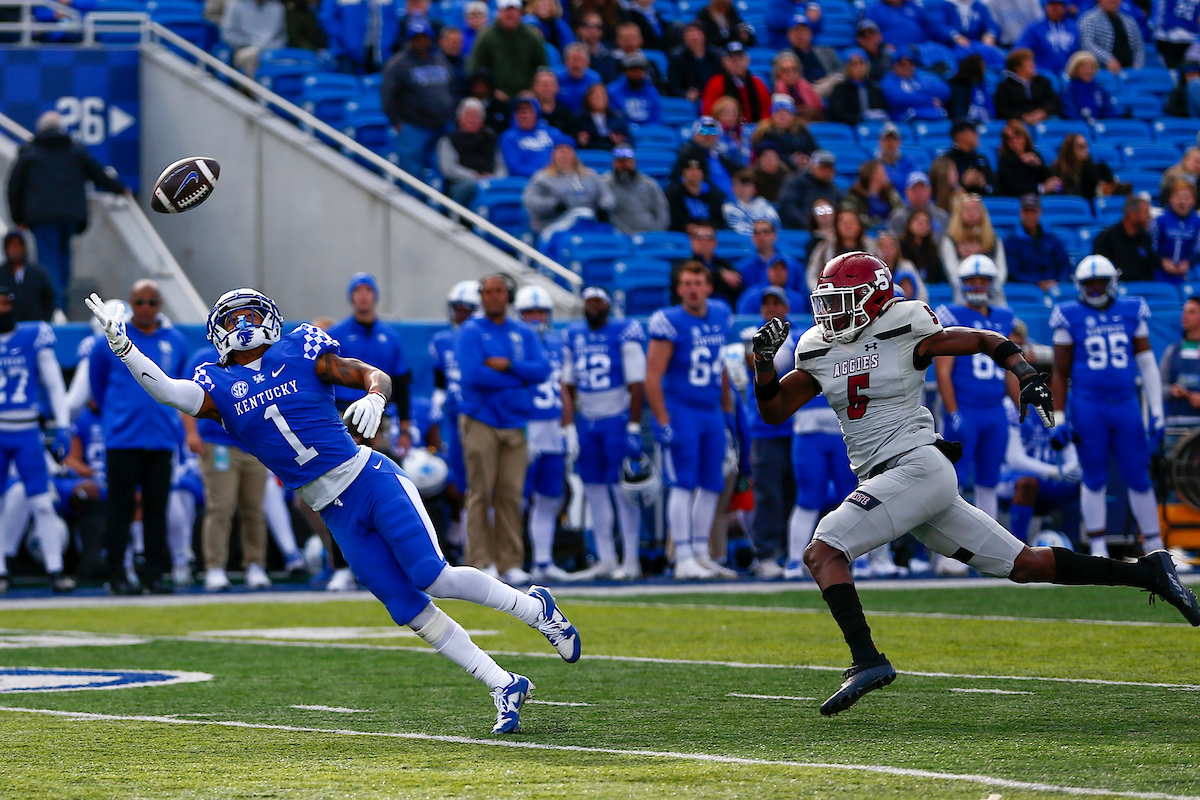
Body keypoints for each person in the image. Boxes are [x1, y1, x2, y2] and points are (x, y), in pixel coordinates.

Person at [87, 285, 581, 733]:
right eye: (232, 318)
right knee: (406, 608)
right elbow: (168, 392)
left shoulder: (300, 349)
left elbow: (372, 373)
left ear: (269, 317)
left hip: (369, 479)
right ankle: (503, 684)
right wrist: (124, 348)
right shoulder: (216, 382)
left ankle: (536, 609)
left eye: (249, 315)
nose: (242, 326)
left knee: (432, 575)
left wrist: (375, 397)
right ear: (218, 331)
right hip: (332, 509)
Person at [749, 250, 1199, 717]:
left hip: (917, 467)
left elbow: (984, 339)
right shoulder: (818, 347)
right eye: (829, 301)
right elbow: (775, 409)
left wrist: (1025, 373)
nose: (833, 312)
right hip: (899, 480)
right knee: (1026, 564)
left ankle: (866, 659)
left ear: (874, 298)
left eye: (844, 300)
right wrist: (763, 363)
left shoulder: (904, 325)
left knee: (823, 549)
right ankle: (1150, 572)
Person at [1049, 255, 1171, 562]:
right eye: (1089, 285)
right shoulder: (1069, 314)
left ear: (1112, 282)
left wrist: (1156, 410)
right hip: (1088, 403)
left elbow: (1147, 365)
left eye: (1100, 283)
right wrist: (1059, 417)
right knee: (1093, 476)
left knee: (1138, 475)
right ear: (1079, 286)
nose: (1094, 290)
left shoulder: (1131, 310)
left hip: (1126, 402)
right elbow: (1060, 372)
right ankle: (1099, 548)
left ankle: (1155, 547)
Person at [89, 280, 187, 595]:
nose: (146, 308)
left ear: (160, 306)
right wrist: (115, 416)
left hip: (161, 437)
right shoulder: (109, 339)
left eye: (152, 302)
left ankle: (154, 575)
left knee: (157, 509)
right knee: (119, 508)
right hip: (123, 438)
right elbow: (97, 384)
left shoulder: (176, 341)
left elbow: (181, 385)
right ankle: (117, 573)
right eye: (140, 302)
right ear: (132, 304)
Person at [456, 275, 552, 585]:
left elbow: (542, 370)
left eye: (498, 291)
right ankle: (480, 560)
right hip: (481, 418)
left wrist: (509, 366)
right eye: (487, 292)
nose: (493, 297)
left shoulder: (523, 332)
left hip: (515, 421)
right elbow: (474, 374)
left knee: (512, 494)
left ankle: (510, 561)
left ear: (508, 296)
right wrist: (519, 378)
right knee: (481, 492)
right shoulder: (470, 331)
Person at [646, 262, 736, 580]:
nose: (692, 289)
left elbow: (721, 366)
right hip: (681, 408)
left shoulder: (721, 314)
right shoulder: (669, 321)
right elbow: (652, 377)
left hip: (710, 409)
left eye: (698, 282)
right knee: (683, 483)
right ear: (679, 288)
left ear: (709, 287)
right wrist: (663, 420)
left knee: (712, 483)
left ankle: (701, 552)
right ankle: (682, 555)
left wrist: (727, 411)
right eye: (686, 283)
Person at [561, 287, 648, 579]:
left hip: (616, 418)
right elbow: (568, 384)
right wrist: (570, 425)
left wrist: (634, 425)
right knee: (594, 490)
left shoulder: (623, 332)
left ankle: (631, 560)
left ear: (608, 305)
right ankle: (607, 558)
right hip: (588, 420)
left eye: (598, 301)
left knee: (623, 491)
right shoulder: (574, 336)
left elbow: (637, 383)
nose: (593, 306)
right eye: (589, 302)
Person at [6, 111, 127, 315]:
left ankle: (56, 308)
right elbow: (97, 173)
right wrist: (119, 188)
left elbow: (14, 186)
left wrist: (18, 217)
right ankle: (60, 302)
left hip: (42, 217)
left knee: (49, 261)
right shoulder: (74, 150)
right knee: (63, 260)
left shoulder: (29, 152)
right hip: (70, 217)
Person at [183, 341, 272, 592]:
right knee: (220, 506)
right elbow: (185, 396)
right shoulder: (203, 357)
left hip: (253, 444)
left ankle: (255, 564)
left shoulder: (258, 356)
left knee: (254, 509)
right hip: (218, 442)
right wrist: (191, 433)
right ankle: (214, 567)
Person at [0, 284, 71, 593]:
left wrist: (64, 424)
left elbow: (54, 384)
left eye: (6, 303)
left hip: (28, 431)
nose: (2, 309)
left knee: (42, 503)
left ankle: (55, 569)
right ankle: (2, 569)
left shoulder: (33, 335)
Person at [933, 255, 1013, 521]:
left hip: (995, 409)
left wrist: (1019, 402)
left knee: (989, 481)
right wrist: (953, 412)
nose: (977, 287)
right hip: (966, 407)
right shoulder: (951, 314)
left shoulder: (1004, 317)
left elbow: (1009, 368)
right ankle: (951, 556)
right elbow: (943, 371)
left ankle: (987, 548)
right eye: (972, 281)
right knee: (952, 482)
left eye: (982, 281)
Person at [511, 286, 573, 583]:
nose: (535, 319)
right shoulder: (512, 344)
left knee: (550, 497)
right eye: (529, 313)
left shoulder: (559, 343)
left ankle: (543, 561)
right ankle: (510, 561)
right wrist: (521, 427)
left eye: (540, 312)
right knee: (517, 498)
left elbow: (565, 387)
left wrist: (568, 426)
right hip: (526, 424)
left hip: (552, 427)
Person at [739, 287, 798, 577]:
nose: (771, 307)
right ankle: (766, 553)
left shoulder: (798, 335)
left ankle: (792, 551)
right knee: (767, 493)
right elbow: (760, 363)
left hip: (794, 425)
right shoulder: (751, 334)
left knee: (794, 492)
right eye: (767, 303)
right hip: (764, 427)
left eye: (777, 302)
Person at [329, 273, 412, 459]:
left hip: (379, 416)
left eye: (368, 290)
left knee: (380, 469)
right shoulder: (335, 335)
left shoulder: (391, 337)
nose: (363, 295)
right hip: (343, 413)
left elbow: (401, 383)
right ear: (351, 296)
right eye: (358, 290)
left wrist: (405, 430)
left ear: (375, 295)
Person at [429, 281, 481, 558]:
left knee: (482, 484)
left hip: (481, 415)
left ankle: (474, 545)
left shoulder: (485, 337)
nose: (459, 314)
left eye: (466, 309)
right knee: (458, 483)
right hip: (453, 417)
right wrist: (438, 402)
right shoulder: (442, 340)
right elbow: (440, 379)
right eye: (456, 309)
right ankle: (458, 543)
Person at [1000, 395, 1082, 544]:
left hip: (1055, 480)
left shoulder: (1065, 404)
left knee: (1089, 484)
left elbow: (1071, 455)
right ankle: (1019, 547)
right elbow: (1015, 459)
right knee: (1027, 483)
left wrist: (1072, 469)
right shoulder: (1011, 404)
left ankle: (1080, 547)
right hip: (1011, 478)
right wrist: (1054, 472)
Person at [381, 24, 456, 181]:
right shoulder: (398, 64)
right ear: (409, 40)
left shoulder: (439, 59)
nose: (421, 41)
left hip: (442, 125)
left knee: (443, 170)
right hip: (414, 127)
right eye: (417, 38)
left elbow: (452, 87)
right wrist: (396, 122)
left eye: (424, 37)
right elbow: (387, 96)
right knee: (412, 173)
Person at [523, 143, 615, 236]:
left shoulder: (590, 175)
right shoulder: (542, 178)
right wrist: (553, 205)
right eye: (560, 153)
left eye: (567, 152)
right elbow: (531, 200)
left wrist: (604, 208)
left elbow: (606, 194)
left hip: (590, 220)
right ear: (553, 156)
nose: (564, 156)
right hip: (555, 223)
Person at [467, 0, 549, 100]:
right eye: (506, 10)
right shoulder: (486, 36)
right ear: (499, 11)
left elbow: (543, 68)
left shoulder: (532, 36)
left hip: (527, 96)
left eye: (514, 10)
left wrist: (532, 90)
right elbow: (474, 69)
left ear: (520, 12)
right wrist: (492, 91)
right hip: (495, 97)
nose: (510, 14)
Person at [438, 98, 508, 208]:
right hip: (462, 182)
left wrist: (495, 178)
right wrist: (475, 177)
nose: (472, 119)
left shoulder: (491, 138)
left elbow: (501, 164)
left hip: (490, 180)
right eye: (469, 115)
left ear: (482, 119)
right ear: (460, 118)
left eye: (476, 116)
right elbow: (449, 169)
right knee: (479, 188)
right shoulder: (448, 140)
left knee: (507, 187)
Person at [940, 193, 1008, 299]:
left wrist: (979, 260)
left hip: (992, 295)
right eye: (967, 210)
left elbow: (1001, 272)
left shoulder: (993, 239)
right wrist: (968, 260)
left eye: (975, 209)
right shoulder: (950, 240)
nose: (971, 213)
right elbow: (952, 275)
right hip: (962, 296)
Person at [1005, 194, 1070, 290]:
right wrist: (1037, 283)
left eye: (1033, 211)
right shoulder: (1011, 240)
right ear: (1021, 212)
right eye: (1026, 211)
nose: (1030, 216)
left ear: (1040, 212)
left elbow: (1064, 265)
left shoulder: (1051, 238)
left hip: (1054, 286)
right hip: (1026, 289)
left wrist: (1057, 282)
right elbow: (1013, 272)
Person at [499, 97, 574, 178]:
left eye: (529, 111)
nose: (525, 115)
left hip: (555, 178)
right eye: (521, 112)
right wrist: (545, 173)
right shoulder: (509, 137)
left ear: (536, 114)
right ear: (515, 115)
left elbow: (569, 146)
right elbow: (515, 168)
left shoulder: (550, 132)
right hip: (526, 182)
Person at [603, 146, 669, 235]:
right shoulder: (605, 184)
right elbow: (608, 215)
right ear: (614, 164)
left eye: (627, 162)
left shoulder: (649, 183)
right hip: (621, 237)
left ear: (634, 163)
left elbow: (662, 210)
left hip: (652, 236)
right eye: (620, 162)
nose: (624, 166)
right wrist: (628, 234)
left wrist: (655, 232)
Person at [806, 208, 876, 289]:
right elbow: (811, 274)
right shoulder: (824, 247)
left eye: (852, 222)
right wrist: (821, 292)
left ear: (859, 225)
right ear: (836, 226)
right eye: (844, 223)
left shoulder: (871, 246)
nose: (848, 226)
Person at [1093, 194, 1157, 282]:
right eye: (1146, 212)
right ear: (1132, 214)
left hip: (1143, 291)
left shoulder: (1145, 239)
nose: (1150, 217)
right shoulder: (1106, 239)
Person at [702, 42, 771, 122]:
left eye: (740, 58)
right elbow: (709, 114)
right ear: (725, 61)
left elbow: (767, 111)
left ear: (747, 60)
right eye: (733, 59)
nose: (737, 62)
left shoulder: (757, 83)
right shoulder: (716, 83)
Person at [671, 116, 738, 195]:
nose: (709, 135)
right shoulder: (688, 153)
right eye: (704, 130)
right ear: (696, 134)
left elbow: (735, 168)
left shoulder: (716, 153)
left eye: (713, 131)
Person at [1161, 297, 1200, 431]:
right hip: (1177, 425)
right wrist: (1172, 391)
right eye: (1184, 311)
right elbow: (1159, 387)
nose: (1185, 316)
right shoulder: (1172, 350)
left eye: (1192, 312)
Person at [994, 48, 1062, 125]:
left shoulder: (1043, 82)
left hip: (1045, 119)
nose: (1033, 65)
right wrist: (1022, 116)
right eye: (1029, 63)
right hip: (1017, 123)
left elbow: (1054, 101)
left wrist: (1043, 112)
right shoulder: (1005, 87)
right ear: (1018, 67)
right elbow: (1002, 109)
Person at [778, 149, 842, 230]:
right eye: (822, 167)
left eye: (829, 168)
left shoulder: (834, 190)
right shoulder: (796, 182)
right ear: (812, 166)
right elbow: (789, 207)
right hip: (801, 229)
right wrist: (810, 226)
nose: (826, 171)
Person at [1150, 181, 1200, 284]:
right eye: (1178, 197)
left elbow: (1198, 249)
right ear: (1170, 199)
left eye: (1186, 198)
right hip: (1160, 272)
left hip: (1189, 273)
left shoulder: (1197, 222)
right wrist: (1162, 261)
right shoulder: (1159, 220)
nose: (1182, 202)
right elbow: (1150, 246)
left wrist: (1187, 263)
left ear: (1193, 201)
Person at [220, 0, 287, 76]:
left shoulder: (278, 7)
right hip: (244, 49)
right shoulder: (235, 4)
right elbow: (228, 34)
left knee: (286, 58)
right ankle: (252, 86)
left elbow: (281, 36)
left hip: (271, 49)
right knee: (253, 55)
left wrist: (267, 47)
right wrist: (251, 44)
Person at [996, 120, 1061, 197]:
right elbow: (1011, 188)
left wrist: (1039, 165)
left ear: (1025, 136)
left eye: (1017, 136)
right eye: (1009, 139)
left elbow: (1050, 179)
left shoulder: (1035, 155)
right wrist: (1041, 189)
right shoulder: (1005, 160)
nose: (1014, 141)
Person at [751, 94, 817, 170]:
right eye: (779, 113)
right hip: (778, 170)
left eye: (787, 113)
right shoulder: (766, 133)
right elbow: (767, 155)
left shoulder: (801, 130)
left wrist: (808, 158)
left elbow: (814, 149)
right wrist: (791, 160)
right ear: (772, 116)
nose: (783, 117)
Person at [0, 232, 55, 323]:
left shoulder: (38, 273)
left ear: (24, 248)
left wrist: (43, 320)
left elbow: (49, 299)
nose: (15, 250)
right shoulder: (1, 274)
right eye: (12, 246)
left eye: (18, 246)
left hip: (34, 326)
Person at [881, 49, 949, 121]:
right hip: (905, 120)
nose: (907, 67)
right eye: (902, 64)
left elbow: (944, 91)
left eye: (910, 64)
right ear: (895, 66)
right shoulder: (889, 80)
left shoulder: (923, 76)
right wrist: (930, 99)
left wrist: (915, 94)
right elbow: (897, 98)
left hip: (933, 115)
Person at [1079, 0, 1145, 74]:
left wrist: (1138, 66)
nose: (1113, 1)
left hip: (1130, 72)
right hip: (1102, 71)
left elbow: (1139, 48)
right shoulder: (1089, 19)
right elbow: (1087, 44)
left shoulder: (1129, 22)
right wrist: (1108, 59)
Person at [826, 48, 888, 126]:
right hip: (851, 126)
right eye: (854, 64)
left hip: (874, 126)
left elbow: (882, 108)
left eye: (861, 63)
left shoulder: (875, 87)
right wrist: (861, 119)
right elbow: (839, 113)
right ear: (848, 68)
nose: (858, 67)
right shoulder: (841, 89)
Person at [1014, 0, 1077, 76]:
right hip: (1042, 72)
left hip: (1070, 73)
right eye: (1051, 5)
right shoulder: (1035, 27)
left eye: (1058, 4)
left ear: (1065, 7)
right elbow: (1020, 50)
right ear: (1045, 6)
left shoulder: (1073, 27)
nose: (1054, 8)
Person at [784, 15, 843, 96]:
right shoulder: (784, 57)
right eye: (796, 30)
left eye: (803, 30)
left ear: (810, 33)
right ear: (789, 35)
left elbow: (841, 72)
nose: (799, 34)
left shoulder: (826, 51)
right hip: (803, 92)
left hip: (827, 85)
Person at [888, 171, 950, 244]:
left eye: (922, 189)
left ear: (929, 191)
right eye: (915, 189)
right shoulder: (898, 217)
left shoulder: (941, 216)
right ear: (907, 192)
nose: (919, 193)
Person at [1051, 134, 1118, 201]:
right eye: (1080, 146)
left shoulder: (1098, 169)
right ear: (1069, 149)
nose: (1085, 149)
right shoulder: (1059, 171)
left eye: (1086, 146)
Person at [666, 159, 727, 232]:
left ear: (703, 173)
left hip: (709, 233)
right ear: (683, 172)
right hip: (683, 234)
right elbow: (674, 220)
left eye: (697, 170)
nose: (694, 173)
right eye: (689, 169)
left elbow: (719, 220)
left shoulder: (714, 194)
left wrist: (707, 227)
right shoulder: (674, 194)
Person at [668, 23, 723, 102]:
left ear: (704, 36)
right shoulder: (677, 57)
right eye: (689, 35)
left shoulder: (717, 56)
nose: (693, 38)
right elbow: (674, 85)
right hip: (690, 99)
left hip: (713, 95)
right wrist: (685, 93)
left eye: (696, 35)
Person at [844, 159, 904, 230]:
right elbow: (852, 216)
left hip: (890, 231)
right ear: (873, 175)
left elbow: (900, 210)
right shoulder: (854, 195)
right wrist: (878, 224)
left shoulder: (890, 193)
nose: (886, 174)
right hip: (864, 232)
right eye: (882, 171)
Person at [606, 51, 663, 125]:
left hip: (648, 131)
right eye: (633, 70)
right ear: (625, 71)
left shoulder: (652, 91)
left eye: (640, 70)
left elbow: (656, 117)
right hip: (624, 130)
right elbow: (612, 116)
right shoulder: (613, 90)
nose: (637, 73)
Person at [736, 257, 807, 314]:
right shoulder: (751, 296)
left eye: (782, 269)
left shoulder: (797, 299)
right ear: (767, 271)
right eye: (775, 268)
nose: (778, 272)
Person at [864, 0, 946, 48]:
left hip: (921, 47)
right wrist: (882, 47)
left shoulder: (912, 6)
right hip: (894, 50)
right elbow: (869, 33)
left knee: (940, 50)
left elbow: (928, 26)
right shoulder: (874, 9)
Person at [1060, 51, 1115, 122]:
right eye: (1083, 67)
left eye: (1091, 67)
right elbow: (1071, 115)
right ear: (1075, 69)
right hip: (1079, 130)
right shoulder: (1069, 91)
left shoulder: (1100, 89)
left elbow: (1109, 113)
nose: (1088, 71)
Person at [722, 169, 781, 235]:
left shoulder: (763, 203)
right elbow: (740, 230)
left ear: (754, 188)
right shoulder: (729, 206)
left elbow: (775, 224)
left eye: (747, 185)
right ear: (733, 188)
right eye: (739, 185)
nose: (743, 188)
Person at [946, 119, 994, 195]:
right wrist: (963, 184)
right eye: (973, 131)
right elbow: (944, 192)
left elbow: (995, 188)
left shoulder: (981, 159)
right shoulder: (948, 160)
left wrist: (984, 185)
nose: (977, 134)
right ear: (960, 135)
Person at [771, 52, 823, 122]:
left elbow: (818, 108)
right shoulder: (775, 90)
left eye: (794, 70)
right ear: (778, 74)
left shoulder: (805, 85)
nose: (790, 74)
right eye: (785, 71)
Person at [901, 208, 948, 285]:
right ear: (909, 223)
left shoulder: (932, 248)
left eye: (926, 223)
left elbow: (936, 273)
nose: (923, 226)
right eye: (919, 222)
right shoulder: (901, 246)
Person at [946, 53, 994, 122]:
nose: (985, 68)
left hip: (986, 123)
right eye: (982, 65)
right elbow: (958, 112)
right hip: (967, 125)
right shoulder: (958, 87)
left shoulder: (981, 86)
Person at [555, 43, 602, 115]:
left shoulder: (594, 79)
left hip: (586, 120)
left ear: (588, 63)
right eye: (574, 60)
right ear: (566, 61)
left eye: (581, 60)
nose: (577, 65)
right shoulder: (555, 77)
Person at [532, 68, 578, 135]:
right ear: (535, 87)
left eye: (551, 84)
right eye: (544, 85)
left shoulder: (566, 113)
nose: (547, 88)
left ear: (557, 87)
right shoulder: (528, 112)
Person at [710, 96, 752, 167]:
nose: (731, 117)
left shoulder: (744, 132)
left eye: (734, 113)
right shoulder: (711, 131)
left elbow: (747, 157)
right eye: (727, 113)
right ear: (718, 114)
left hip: (743, 171)